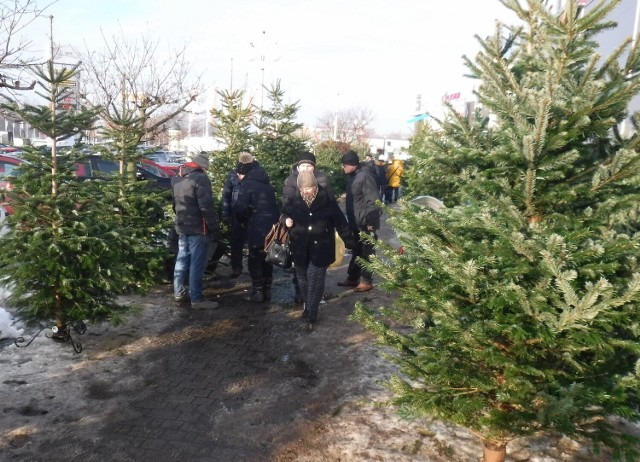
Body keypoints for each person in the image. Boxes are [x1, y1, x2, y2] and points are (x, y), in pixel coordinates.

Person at [282, 170, 354, 329]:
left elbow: (340, 222)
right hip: (299, 246)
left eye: (308, 188)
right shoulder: (294, 199)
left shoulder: (327, 200)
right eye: (302, 189)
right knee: (302, 279)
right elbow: (283, 214)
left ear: (315, 186)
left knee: (315, 278)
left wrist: (349, 241)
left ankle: (312, 312)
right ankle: (309, 305)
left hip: (321, 247)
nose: (304, 191)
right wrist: (285, 219)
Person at [282, 150, 333, 304]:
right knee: (300, 266)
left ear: (314, 167)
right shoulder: (291, 181)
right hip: (299, 229)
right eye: (303, 165)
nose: (306, 168)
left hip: (318, 231)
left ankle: (315, 297)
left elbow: (330, 203)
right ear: (298, 167)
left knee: (316, 269)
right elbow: (286, 205)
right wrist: (287, 218)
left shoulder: (322, 179)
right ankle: (302, 293)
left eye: (309, 166)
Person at [171, 152, 220, 309]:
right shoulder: (200, 178)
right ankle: (197, 299)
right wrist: (214, 228)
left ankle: (178, 292)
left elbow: (174, 204)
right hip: (199, 228)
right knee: (196, 264)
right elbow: (206, 207)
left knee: (182, 259)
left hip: (182, 225)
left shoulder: (176, 177)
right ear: (202, 166)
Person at [233, 153, 279, 302]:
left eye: (238, 174)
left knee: (255, 258)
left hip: (256, 225)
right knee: (267, 257)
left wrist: (241, 220)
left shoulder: (247, 184)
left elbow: (240, 208)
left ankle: (257, 292)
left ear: (242, 172)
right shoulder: (265, 181)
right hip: (271, 225)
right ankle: (267, 291)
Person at [337, 150, 382, 292]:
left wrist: (371, 222)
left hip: (366, 222)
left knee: (367, 251)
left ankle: (366, 281)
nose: (343, 168)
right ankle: (353, 277)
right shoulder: (353, 176)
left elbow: (374, 200)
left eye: (345, 165)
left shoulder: (365, 176)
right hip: (355, 222)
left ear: (352, 164)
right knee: (356, 250)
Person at [221, 153, 249, 278]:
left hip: (251, 214)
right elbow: (226, 195)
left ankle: (256, 268)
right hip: (236, 214)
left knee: (254, 242)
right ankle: (236, 267)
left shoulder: (255, 174)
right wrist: (225, 213)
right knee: (236, 242)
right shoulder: (233, 174)